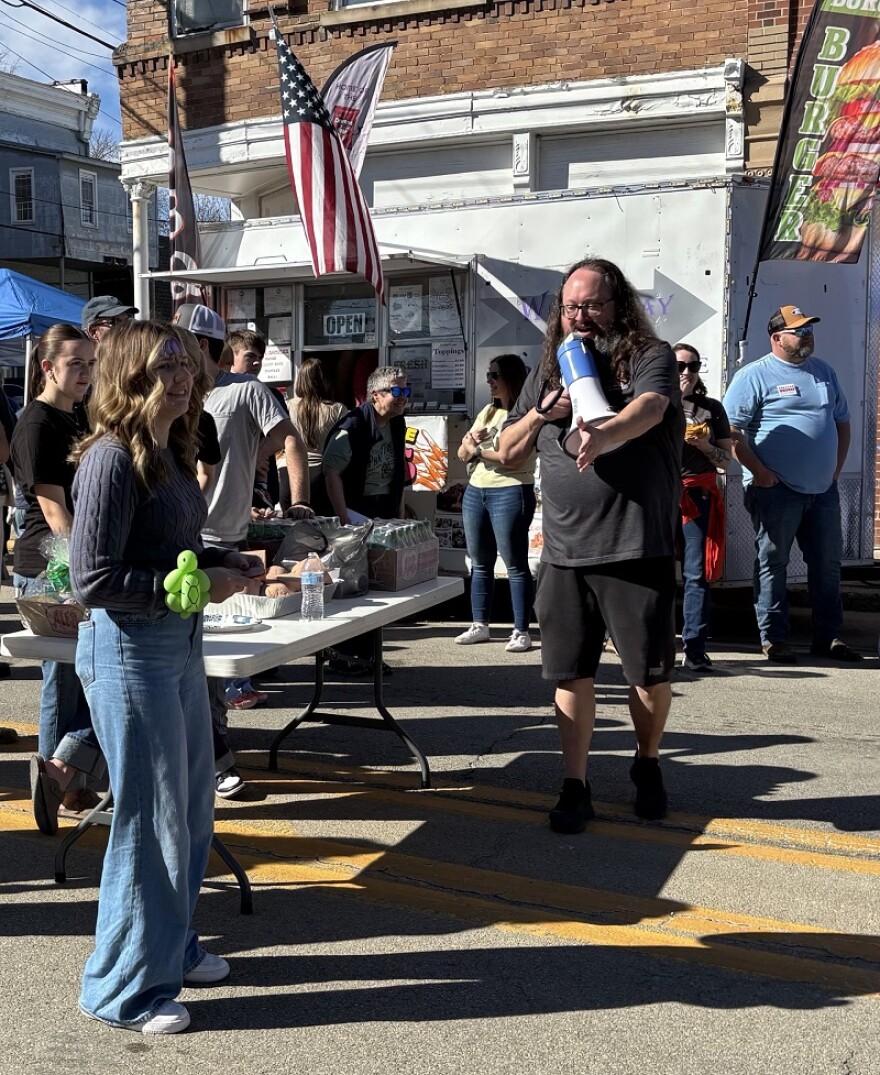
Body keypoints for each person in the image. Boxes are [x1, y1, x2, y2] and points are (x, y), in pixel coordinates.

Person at [69, 320, 261, 1035]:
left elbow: (174, 545)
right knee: (150, 821)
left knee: (190, 810)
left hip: (177, 646)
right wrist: (185, 587)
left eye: (187, 363)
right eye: (167, 364)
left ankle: (170, 948)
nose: (184, 376)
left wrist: (224, 559)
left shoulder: (171, 449)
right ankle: (119, 988)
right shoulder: (112, 458)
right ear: (130, 371)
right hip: (130, 652)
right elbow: (92, 578)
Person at [499, 257, 683, 833]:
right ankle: (575, 784)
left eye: (593, 305)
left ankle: (647, 763)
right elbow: (506, 452)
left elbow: (652, 409)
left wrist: (602, 433)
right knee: (569, 673)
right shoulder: (549, 369)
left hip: (634, 544)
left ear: (618, 306)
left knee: (647, 674)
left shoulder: (649, 357)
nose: (580, 317)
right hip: (563, 551)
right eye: (571, 307)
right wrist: (538, 412)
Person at [173, 303, 310, 794]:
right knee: (198, 659)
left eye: (181, 346)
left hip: (220, 538)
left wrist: (295, 500)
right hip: (185, 538)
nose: (172, 360)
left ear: (203, 347)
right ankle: (214, 760)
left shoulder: (245, 391)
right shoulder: (175, 395)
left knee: (211, 658)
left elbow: (288, 439)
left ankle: (214, 757)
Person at [722, 305, 861, 664]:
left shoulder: (823, 372)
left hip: (822, 490)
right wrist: (760, 472)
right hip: (776, 491)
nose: (806, 334)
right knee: (774, 563)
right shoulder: (754, 376)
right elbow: (731, 432)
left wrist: (836, 467)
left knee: (827, 566)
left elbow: (842, 421)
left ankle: (828, 637)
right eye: (798, 330)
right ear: (777, 338)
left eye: (808, 329)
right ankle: (774, 639)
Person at [10, 324, 104, 833]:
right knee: (65, 681)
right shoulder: (37, 423)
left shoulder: (79, 415)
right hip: (48, 569)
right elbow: (53, 509)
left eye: (91, 363)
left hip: (76, 563)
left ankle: (68, 781)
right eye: (76, 364)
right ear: (48, 367)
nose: (87, 373)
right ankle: (52, 780)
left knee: (86, 680)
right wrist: (80, 572)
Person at [321, 365, 411, 676]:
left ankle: (369, 655)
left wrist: (399, 511)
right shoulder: (354, 425)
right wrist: (344, 516)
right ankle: (346, 656)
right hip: (354, 512)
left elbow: (397, 472)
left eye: (405, 391)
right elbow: (331, 472)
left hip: (382, 512)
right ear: (375, 395)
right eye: (397, 391)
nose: (403, 398)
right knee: (354, 588)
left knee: (377, 587)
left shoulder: (397, 425)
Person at [455, 354, 536, 653]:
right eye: (488, 374)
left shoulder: (524, 414)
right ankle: (480, 624)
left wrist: (476, 450)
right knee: (479, 563)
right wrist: (470, 446)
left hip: (511, 491)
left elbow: (514, 460)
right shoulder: (488, 411)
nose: (489, 380)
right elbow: (462, 454)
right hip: (477, 490)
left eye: (495, 375)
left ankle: (521, 630)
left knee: (515, 563)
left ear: (511, 378)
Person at [675, 343, 732, 673]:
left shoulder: (711, 408)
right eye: (680, 366)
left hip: (698, 491)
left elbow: (726, 460)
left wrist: (704, 445)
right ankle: (649, 642)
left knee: (696, 573)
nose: (686, 373)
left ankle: (695, 646)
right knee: (652, 566)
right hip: (662, 493)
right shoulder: (655, 404)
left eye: (692, 366)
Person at [287, 357, 346, 503]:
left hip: (290, 476)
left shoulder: (287, 406)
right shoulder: (338, 409)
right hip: (324, 477)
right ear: (325, 379)